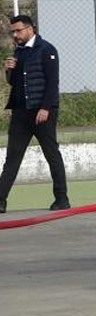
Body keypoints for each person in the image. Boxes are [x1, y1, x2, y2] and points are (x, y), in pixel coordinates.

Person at [0, 15, 68, 213]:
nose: (15, 35)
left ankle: (62, 199)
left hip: (42, 113)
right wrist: (8, 71)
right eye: (13, 31)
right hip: (21, 113)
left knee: (52, 155)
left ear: (30, 29)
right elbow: (16, 84)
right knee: (12, 158)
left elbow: (52, 82)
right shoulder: (19, 52)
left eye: (18, 31)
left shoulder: (47, 50)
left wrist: (45, 108)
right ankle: (1, 200)